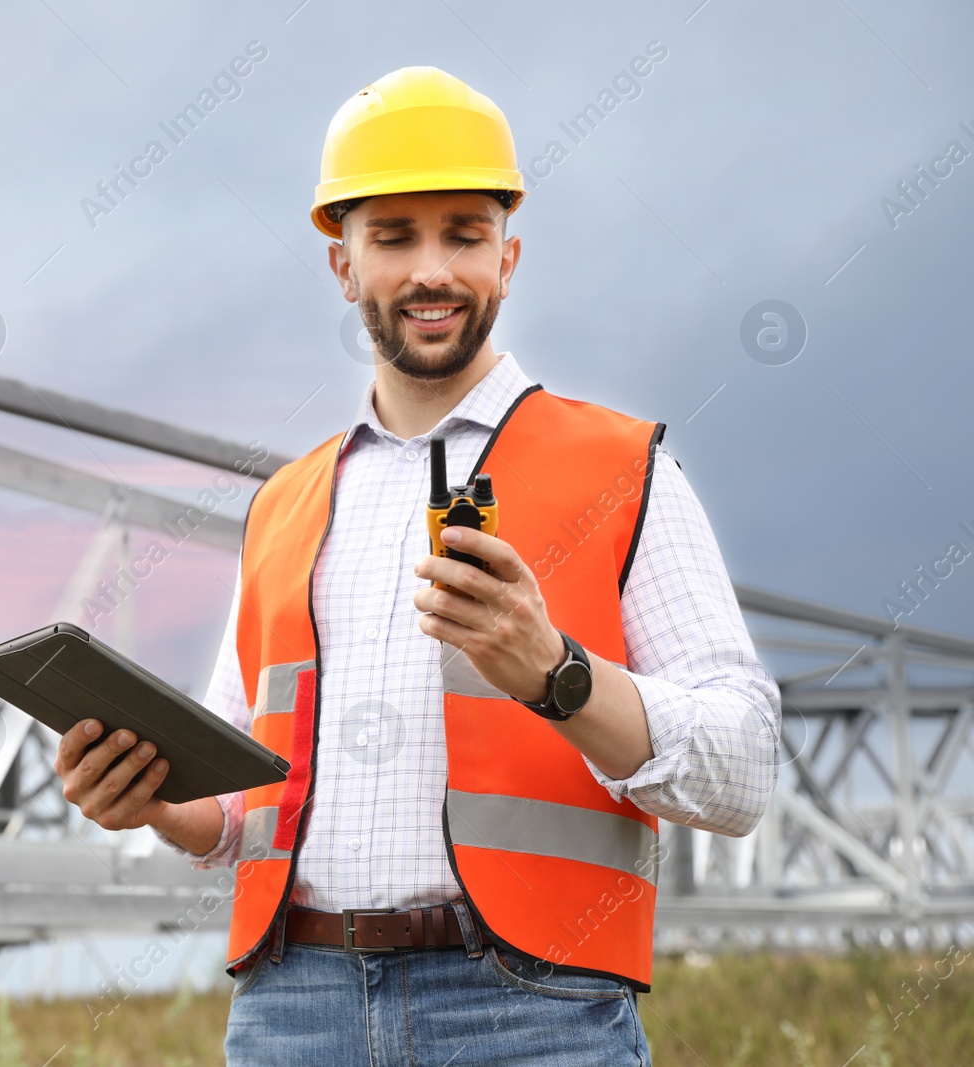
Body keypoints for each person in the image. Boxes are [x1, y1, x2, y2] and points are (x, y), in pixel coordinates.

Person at [53, 66, 780, 1066]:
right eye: (392, 237)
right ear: (341, 265)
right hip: (292, 1006)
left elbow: (741, 773)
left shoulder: (623, 469)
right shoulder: (282, 506)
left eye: (463, 235)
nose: (430, 270)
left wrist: (558, 674)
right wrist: (156, 803)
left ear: (508, 258)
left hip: (534, 1007)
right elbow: (242, 816)